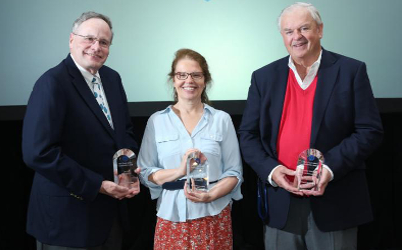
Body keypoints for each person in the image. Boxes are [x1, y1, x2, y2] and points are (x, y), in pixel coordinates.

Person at [238, 2, 383, 249]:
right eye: (289, 31)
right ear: (282, 36)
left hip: (336, 200)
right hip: (281, 201)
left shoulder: (350, 71)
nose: (297, 37)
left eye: (304, 28)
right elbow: (248, 135)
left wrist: (330, 168)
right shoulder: (263, 77)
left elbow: (369, 130)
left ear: (320, 30)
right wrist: (273, 172)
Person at [22, 11, 140, 250]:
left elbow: (124, 132)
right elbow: (39, 153)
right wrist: (98, 185)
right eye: (89, 39)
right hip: (67, 221)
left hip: (109, 217)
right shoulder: (52, 83)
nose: (96, 47)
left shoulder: (112, 78)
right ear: (72, 40)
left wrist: (127, 173)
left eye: (104, 42)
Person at [138, 48, 243, 249]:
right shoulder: (156, 121)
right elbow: (145, 172)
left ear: (205, 80)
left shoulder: (221, 119)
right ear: (173, 79)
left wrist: (211, 194)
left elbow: (234, 172)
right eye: (182, 75)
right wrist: (179, 171)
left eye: (196, 75)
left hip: (214, 214)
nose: (189, 80)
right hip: (171, 216)